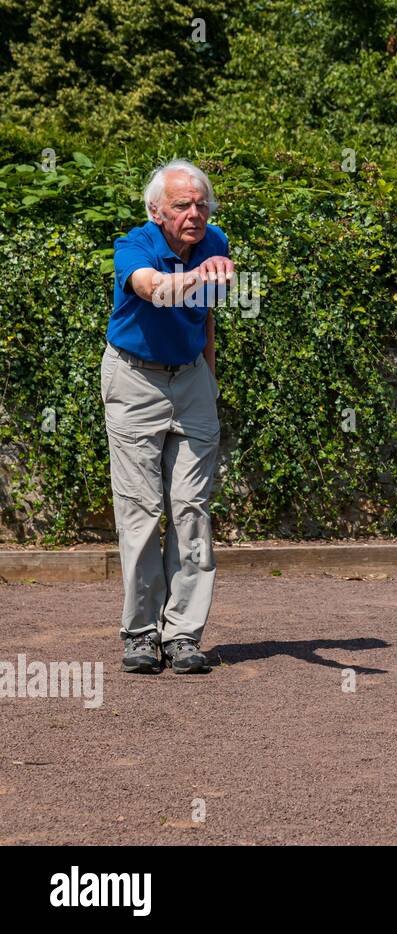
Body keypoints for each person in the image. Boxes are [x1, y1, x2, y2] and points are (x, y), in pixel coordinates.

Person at [106, 159, 233, 674]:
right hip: (135, 379)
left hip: (191, 379)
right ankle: (140, 635)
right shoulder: (133, 245)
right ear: (156, 211)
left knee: (191, 507)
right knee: (141, 509)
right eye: (182, 205)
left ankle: (182, 635)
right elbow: (152, 289)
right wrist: (196, 276)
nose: (195, 213)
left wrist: (210, 378)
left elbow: (205, 318)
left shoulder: (215, 242)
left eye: (202, 204)